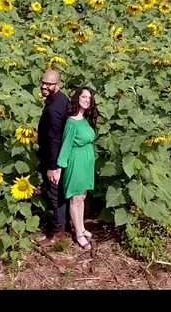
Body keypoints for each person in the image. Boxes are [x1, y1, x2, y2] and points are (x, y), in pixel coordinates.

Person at [55, 87, 98, 250]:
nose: (87, 100)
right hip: (76, 160)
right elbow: (65, 146)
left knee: (82, 196)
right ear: (77, 98)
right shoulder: (72, 122)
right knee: (75, 197)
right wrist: (59, 168)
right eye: (84, 97)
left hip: (86, 160)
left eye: (89, 98)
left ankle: (81, 226)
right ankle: (78, 233)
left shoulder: (86, 118)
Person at [36, 69, 71, 246]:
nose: (44, 86)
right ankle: (62, 226)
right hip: (59, 157)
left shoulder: (54, 109)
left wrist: (53, 166)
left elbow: (54, 139)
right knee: (59, 194)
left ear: (58, 85)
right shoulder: (61, 100)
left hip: (54, 159)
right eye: (43, 82)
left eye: (48, 84)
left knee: (54, 194)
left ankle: (59, 233)